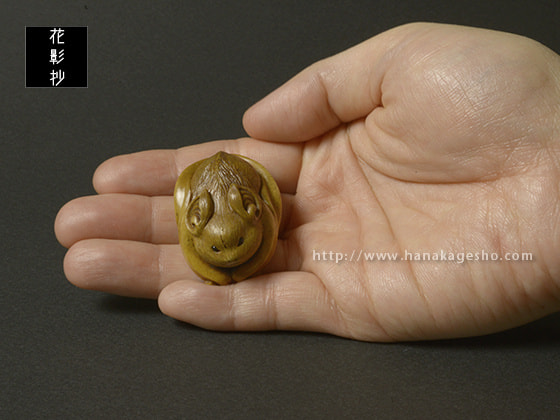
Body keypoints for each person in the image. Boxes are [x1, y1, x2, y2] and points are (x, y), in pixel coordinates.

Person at [54, 22, 560, 341]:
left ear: (257, 213)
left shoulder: (257, 208)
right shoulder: (199, 213)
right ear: (194, 223)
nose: (228, 250)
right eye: (218, 244)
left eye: (236, 241)